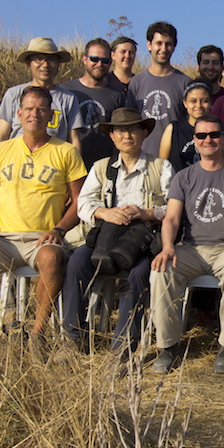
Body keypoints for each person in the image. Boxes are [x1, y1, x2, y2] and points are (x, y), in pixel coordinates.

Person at [0, 86, 87, 352]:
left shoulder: (65, 152)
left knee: (51, 258)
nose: (34, 114)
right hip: (5, 238)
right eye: (29, 108)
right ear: (18, 114)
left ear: (51, 115)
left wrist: (59, 229)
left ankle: (37, 333)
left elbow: (79, 201)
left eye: (41, 109)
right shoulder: (2, 150)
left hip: (43, 238)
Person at [61, 108, 173, 358]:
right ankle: (73, 337)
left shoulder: (161, 167)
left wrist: (145, 213)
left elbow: (173, 207)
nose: (127, 135)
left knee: (140, 273)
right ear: (112, 136)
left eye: (134, 129)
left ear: (144, 133)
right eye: (120, 130)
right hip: (104, 237)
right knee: (77, 262)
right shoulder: (101, 168)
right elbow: (83, 204)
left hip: (142, 240)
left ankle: (123, 345)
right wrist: (105, 213)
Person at [149, 114, 224, 374]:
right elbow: (172, 218)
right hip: (191, 248)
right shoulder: (183, 177)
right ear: (195, 141)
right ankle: (167, 346)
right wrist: (168, 247)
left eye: (214, 135)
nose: (208, 140)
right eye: (201, 135)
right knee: (161, 272)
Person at [0, 37, 83, 152]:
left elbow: (74, 140)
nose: (45, 65)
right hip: (16, 163)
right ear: (29, 63)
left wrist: (75, 166)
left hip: (54, 164)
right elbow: (1, 136)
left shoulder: (68, 99)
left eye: (51, 60)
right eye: (39, 59)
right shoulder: (13, 94)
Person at [125, 22, 191, 156]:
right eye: (159, 43)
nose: (163, 48)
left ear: (173, 47)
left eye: (168, 44)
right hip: (143, 156)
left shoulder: (184, 82)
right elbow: (130, 122)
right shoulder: (136, 82)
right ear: (149, 45)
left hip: (177, 157)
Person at [60, 39, 125, 169]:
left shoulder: (117, 96)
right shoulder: (66, 91)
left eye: (105, 61)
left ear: (110, 63)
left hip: (104, 167)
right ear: (85, 59)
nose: (99, 64)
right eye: (94, 59)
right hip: (68, 165)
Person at [158, 80, 213, 171]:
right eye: (193, 101)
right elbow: (162, 166)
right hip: (178, 183)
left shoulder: (218, 131)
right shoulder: (173, 129)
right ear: (185, 102)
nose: (198, 105)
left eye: (204, 101)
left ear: (211, 102)